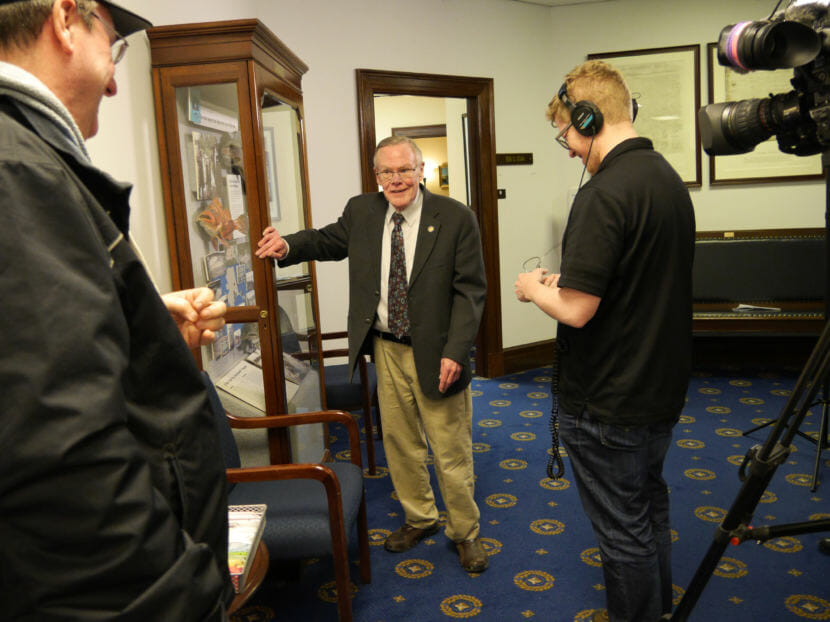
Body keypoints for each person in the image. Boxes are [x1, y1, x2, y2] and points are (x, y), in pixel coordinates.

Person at [0, 1, 234, 618]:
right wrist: (187, 597)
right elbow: (65, 462)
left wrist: (147, 330)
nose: (112, 80)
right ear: (65, 18)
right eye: (114, 47)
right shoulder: (16, 170)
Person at [255, 135, 489, 572]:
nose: (396, 179)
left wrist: (457, 351)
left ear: (420, 171)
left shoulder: (455, 217)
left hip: (438, 352)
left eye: (404, 169)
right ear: (376, 175)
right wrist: (287, 246)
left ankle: (465, 531)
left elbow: (470, 292)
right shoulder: (363, 211)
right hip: (385, 347)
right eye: (386, 171)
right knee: (399, 442)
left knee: (449, 447)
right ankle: (420, 517)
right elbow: (328, 241)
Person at [514, 60, 695, 622]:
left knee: (623, 534)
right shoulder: (665, 179)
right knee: (648, 511)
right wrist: (564, 282)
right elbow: (629, 280)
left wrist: (531, 289)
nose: (567, 147)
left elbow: (576, 310)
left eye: (565, 132)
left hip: (608, 402)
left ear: (588, 119)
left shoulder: (602, 193)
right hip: (658, 389)